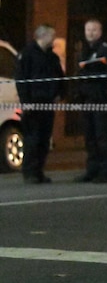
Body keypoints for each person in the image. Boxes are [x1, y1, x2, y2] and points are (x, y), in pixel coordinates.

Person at [14, 24, 64, 184]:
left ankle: (39, 171)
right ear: (42, 36)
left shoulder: (52, 57)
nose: (54, 39)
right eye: (52, 35)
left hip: (48, 103)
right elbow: (21, 80)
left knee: (44, 139)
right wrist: (25, 102)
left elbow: (60, 78)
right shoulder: (27, 55)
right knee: (32, 139)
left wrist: (60, 94)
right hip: (33, 104)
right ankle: (29, 173)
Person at [75, 18, 107, 183]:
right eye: (88, 30)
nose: (90, 33)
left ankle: (105, 172)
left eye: (94, 30)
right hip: (87, 100)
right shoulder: (84, 50)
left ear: (100, 32)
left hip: (100, 100)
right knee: (90, 138)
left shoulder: (106, 50)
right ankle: (91, 170)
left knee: (102, 137)